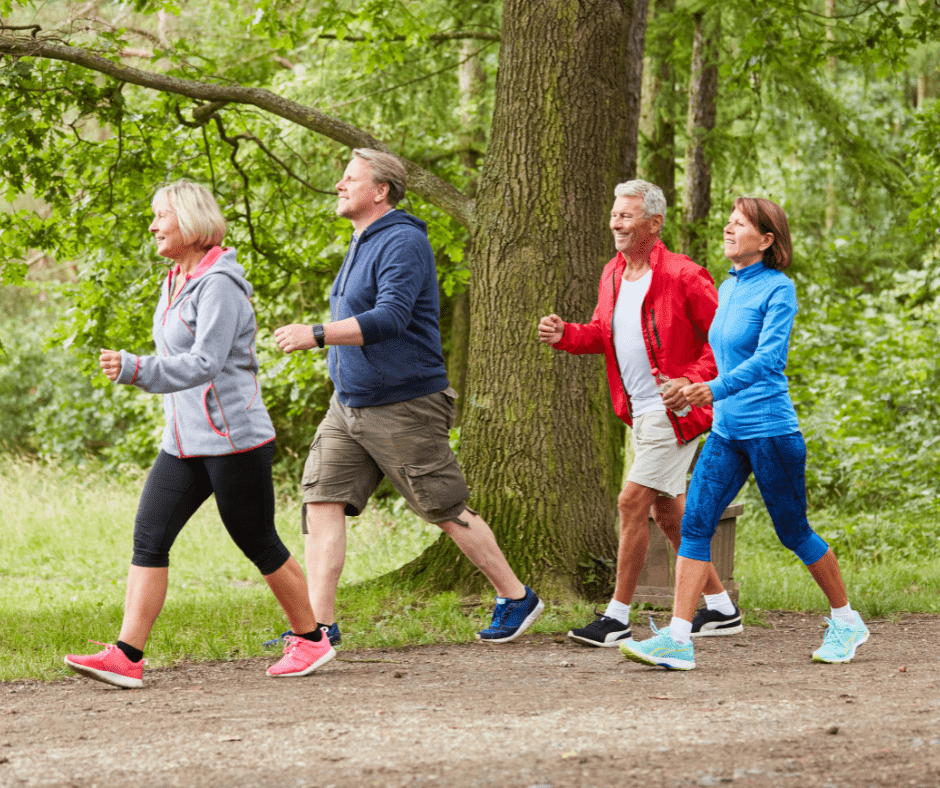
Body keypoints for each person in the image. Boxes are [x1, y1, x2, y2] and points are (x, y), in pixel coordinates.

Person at [64, 180, 333, 688]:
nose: (153, 225)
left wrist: (136, 369)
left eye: (160, 216)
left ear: (189, 222)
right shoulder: (176, 279)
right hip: (183, 442)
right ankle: (127, 655)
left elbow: (205, 362)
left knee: (257, 540)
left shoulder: (220, 286)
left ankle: (312, 640)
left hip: (233, 439)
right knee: (150, 536)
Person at [273, 148, 544, 645]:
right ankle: (318, 629)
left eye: (350, 177)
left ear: (381, 191)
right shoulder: (361, 240)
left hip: (403, 403)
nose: (339, 184)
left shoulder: (402, 241)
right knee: (321, 501)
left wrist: (317, 333)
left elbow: (390, 317)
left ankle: (516, 595)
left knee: (443, 507)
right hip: (349, 403)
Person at [620, 197, 870, 670]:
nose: (729, 229)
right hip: (727, 431)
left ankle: (846, 620)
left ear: (767, 239)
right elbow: (719, 355)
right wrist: (689, 385)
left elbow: (769, 360)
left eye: (740, 224)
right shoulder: (729, 287)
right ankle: (678, 638)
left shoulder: (779, 290)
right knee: (695, 524)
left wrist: (710, 390)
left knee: (793, 531)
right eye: (729, 222)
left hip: (770, 430)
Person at [538, 180, 739, 648]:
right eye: (614, 214)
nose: (615, 223)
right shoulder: (612, 273)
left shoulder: (685, 275)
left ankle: (617, 616)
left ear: (654, 223)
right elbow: (601, 334)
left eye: (627, 216)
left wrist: (692, 382)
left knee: (631, 503)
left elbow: (725, 341)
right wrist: (565, 333)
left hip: (676, 414)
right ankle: (723, 610)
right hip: (639, 414)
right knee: (669, 515)